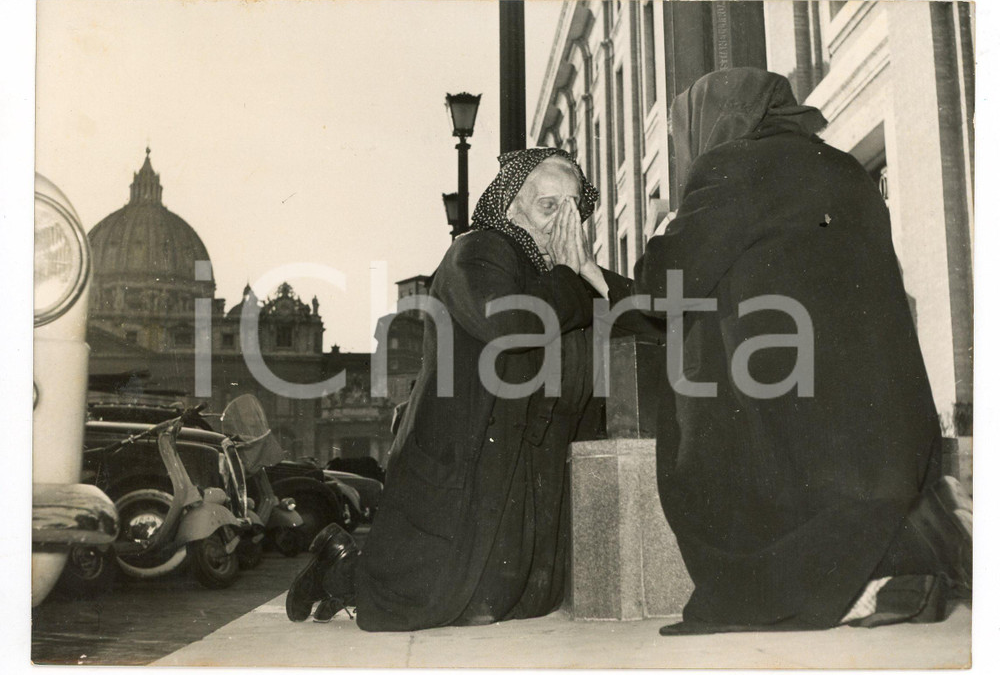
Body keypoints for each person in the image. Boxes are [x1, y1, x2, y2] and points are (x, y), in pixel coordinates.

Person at [634, 67, 972, 634]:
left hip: (783, 401)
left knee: (715, 459)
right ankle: (902, 568)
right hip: (877, 416)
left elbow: (665, 284)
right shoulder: (844, 168)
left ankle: (844, 591)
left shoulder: (730, 165)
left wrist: (660, 232)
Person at [286, 148, 635, 629]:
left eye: (573, 209)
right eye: (549, 206)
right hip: (464, 457)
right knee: (421, 595)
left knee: (502, 600)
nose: (562, 223)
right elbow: (510, 319)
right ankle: (337, 566)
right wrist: (582, 280)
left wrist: (606, 282)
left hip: (522, 465)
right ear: (511, 206)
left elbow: (646, 306)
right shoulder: (479, 251)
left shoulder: (565, 271)